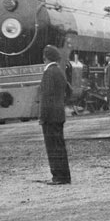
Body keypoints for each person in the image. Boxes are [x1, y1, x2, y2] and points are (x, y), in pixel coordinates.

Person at [39, 45, 71, 184]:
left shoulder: (48, 73)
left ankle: (58, 177)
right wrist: (61, 103)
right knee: (60, 146)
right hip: (59, 114)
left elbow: (46, 97)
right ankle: (64, 176)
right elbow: (69, 91)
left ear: (45, 57)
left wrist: (43, 117)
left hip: (50, 116)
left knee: (52, 148)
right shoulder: (59, 71)